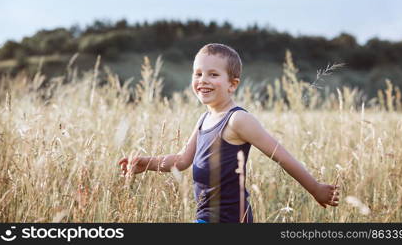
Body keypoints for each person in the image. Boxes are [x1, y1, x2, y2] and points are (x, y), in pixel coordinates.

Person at [118, 43, 339, 223]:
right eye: (198, 73)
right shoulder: (204, 119)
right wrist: (146, 163)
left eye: (213, 74)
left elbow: (281, 156)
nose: (203, 80)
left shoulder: (237, 119)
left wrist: (315, 188)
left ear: (232, 85)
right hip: (206, 216)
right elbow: (181, 160)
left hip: (230, 218)